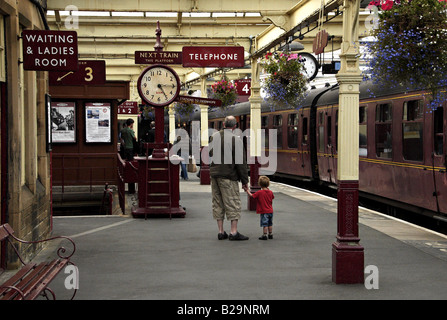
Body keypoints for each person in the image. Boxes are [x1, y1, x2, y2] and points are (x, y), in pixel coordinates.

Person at [209, 115, 249, 241]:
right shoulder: (235, 140)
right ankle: (233, 232)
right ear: (235, 126)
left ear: (223, 124)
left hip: (214, 175)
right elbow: (240, 163)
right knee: (232, 202)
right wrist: (244, 181)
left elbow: (210, 153)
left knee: (217, 203)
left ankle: (221, 232)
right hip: (228, 176)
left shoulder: (214, 137)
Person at [246, 176, 275, 240]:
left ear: (260, 184)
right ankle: (270, 234)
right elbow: (272, 197)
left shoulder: (259, 192)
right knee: (270, 223)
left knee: (265, 224)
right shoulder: (270, 192)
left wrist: (247, 191)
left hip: (264, 211)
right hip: (270, 211)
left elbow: (252, 196)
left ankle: (264, 235)